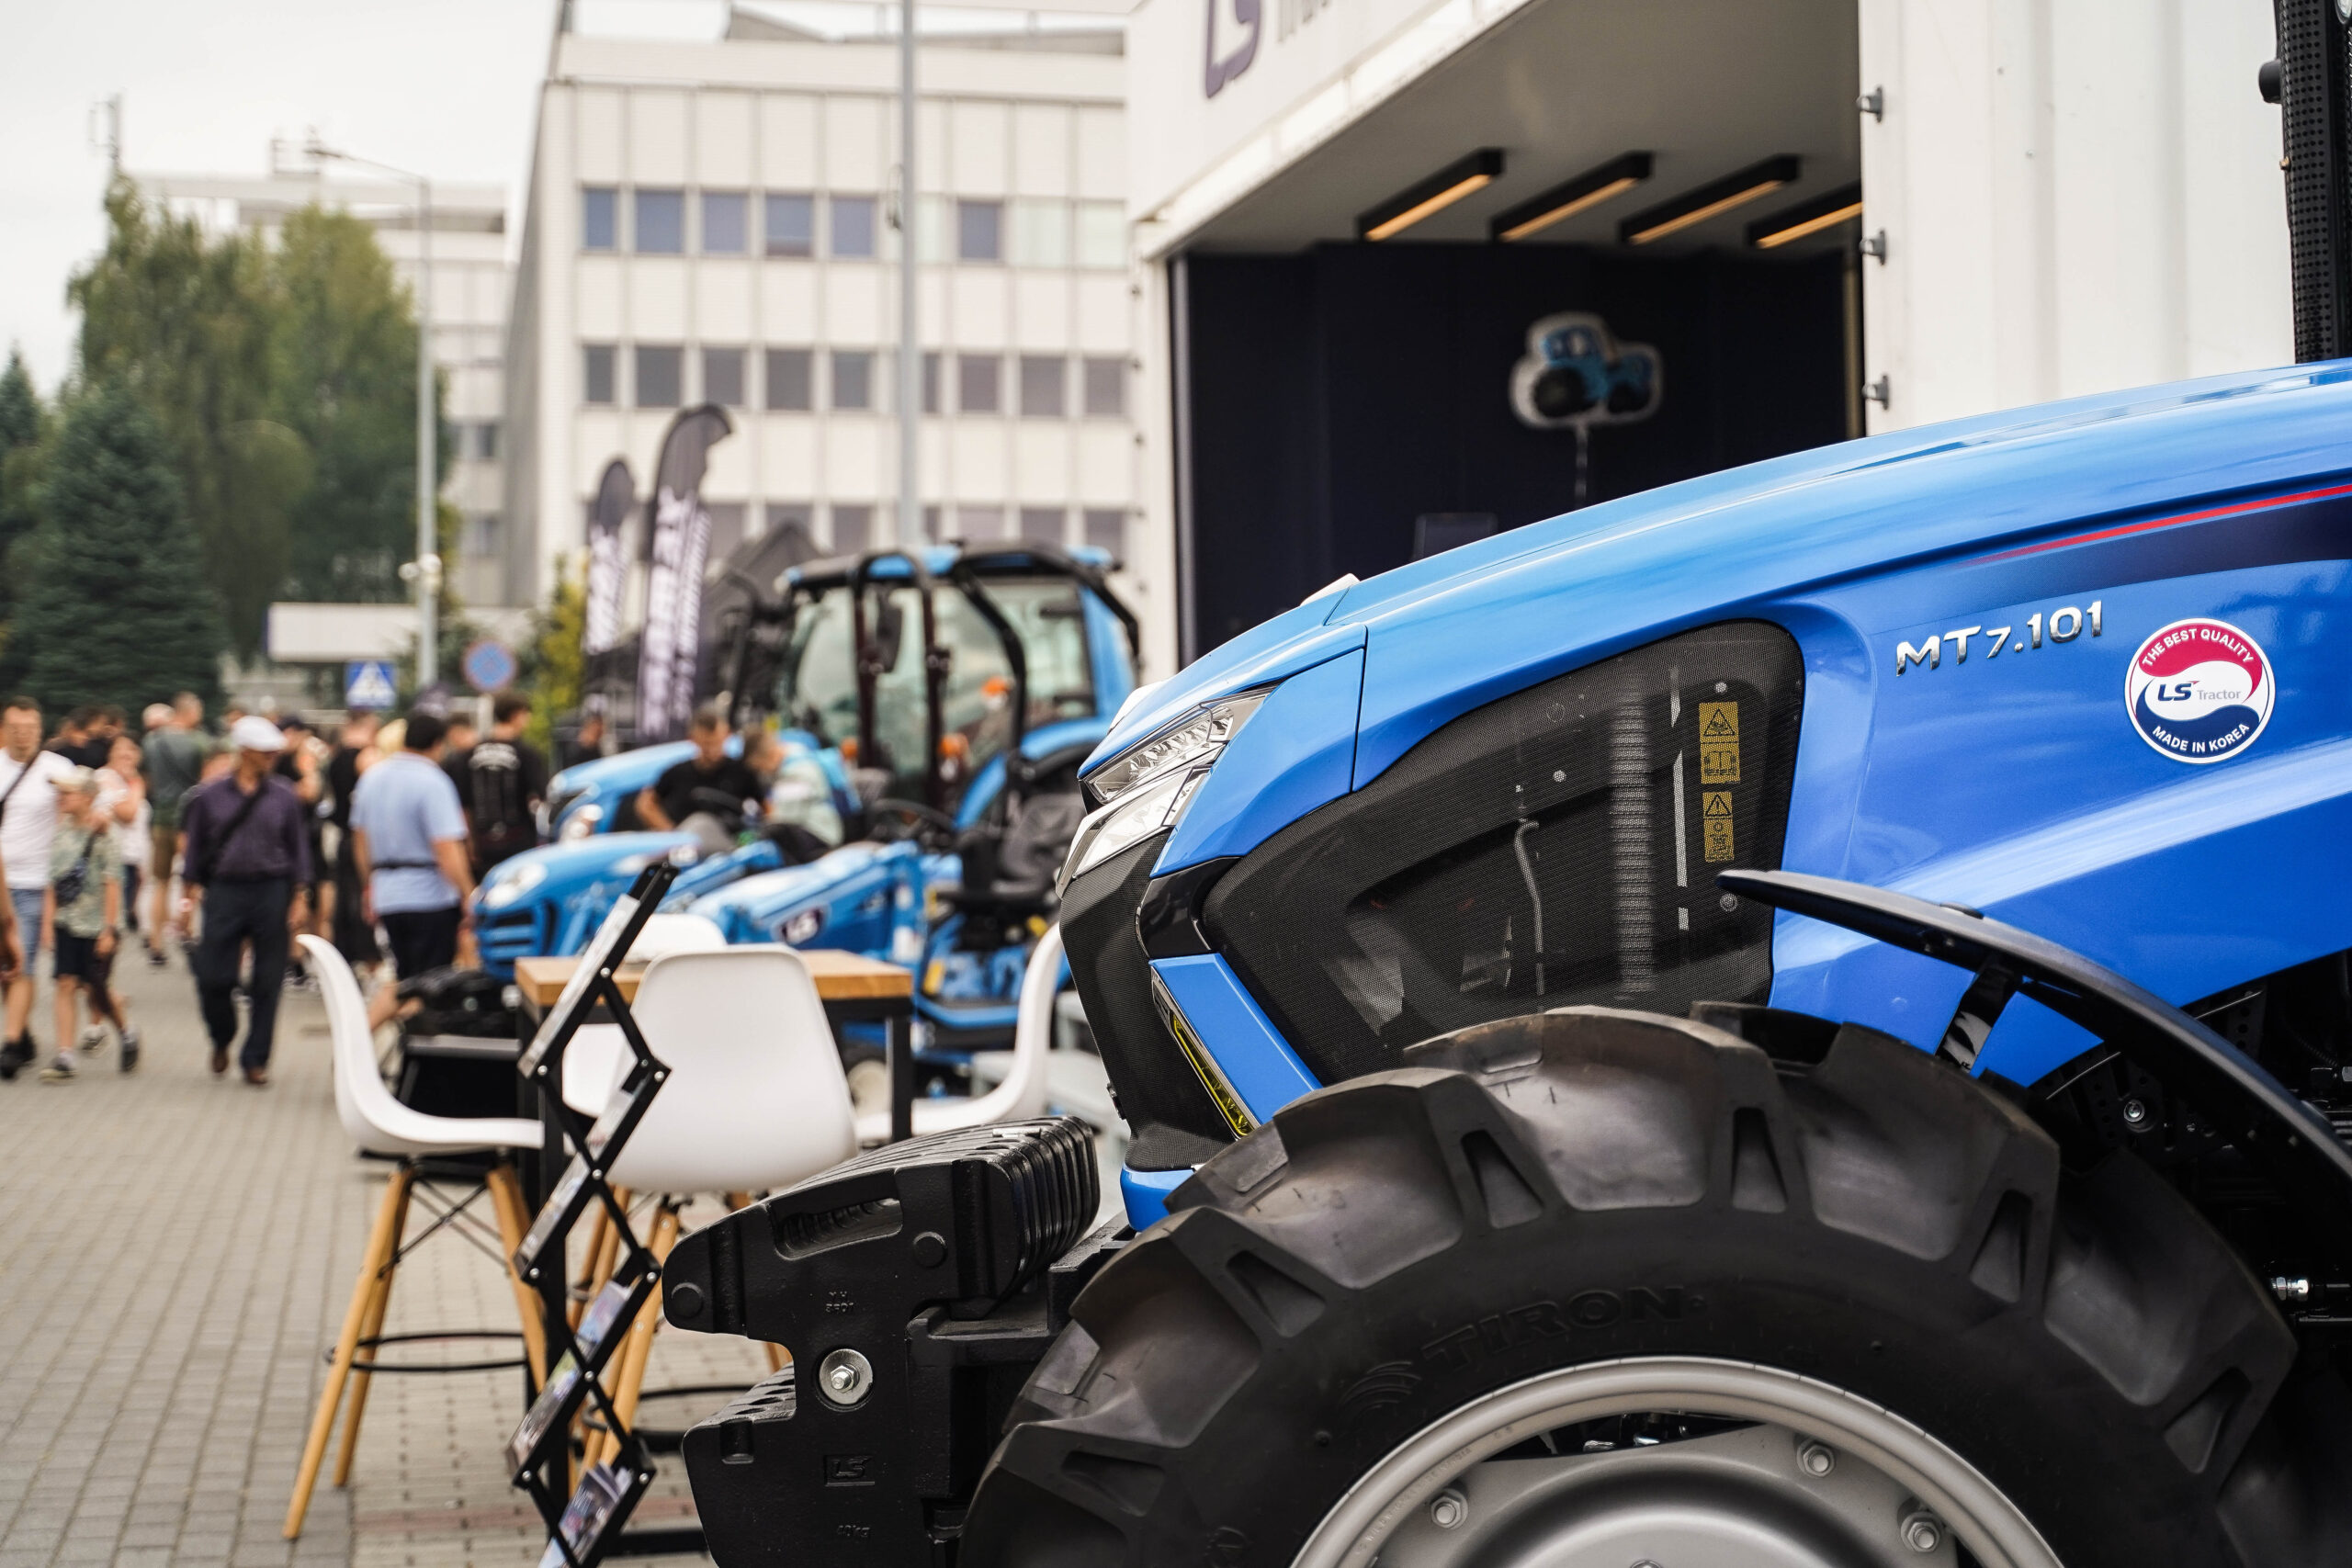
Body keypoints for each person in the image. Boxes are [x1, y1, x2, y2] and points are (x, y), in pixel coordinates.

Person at [179, 716, 311, 1085]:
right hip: (224, 891)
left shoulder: (284, 795)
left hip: (272, 890)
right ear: (244, 752)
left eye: (274, 753)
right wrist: (186, 904)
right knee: (213, 977)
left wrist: (300, 897)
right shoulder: (210, 797)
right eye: (264, 753)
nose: (271, 759)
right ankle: (222, 1036)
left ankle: (256, 1059)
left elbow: (298, 850)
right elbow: (194, 855)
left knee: (268, 981)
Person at [349, 709, 475, 1030]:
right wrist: (467, 893)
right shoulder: (433, 781)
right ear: (437, 743)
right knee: (427, 985)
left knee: (406, 978)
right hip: (429, 896)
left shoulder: (371, 778)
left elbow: (360, 842)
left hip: (388, 894)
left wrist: (370, 886)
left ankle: (362, 1041)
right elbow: (446, 846)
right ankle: (385, 1044)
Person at [0, 697, 83, 1080]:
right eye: (16, 728)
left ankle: (12, 1043)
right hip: (1, 879)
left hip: (34, 883)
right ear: (5, 729)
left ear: (40, 728)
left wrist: (93, 816)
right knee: (6, 966)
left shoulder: (56, 768)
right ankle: (25, 1034)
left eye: (30, 728)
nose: (24, 735)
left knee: (22, 964)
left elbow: (88, 794)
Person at [38, 769, 130, 1082]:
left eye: (69, 793)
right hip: (66, 921)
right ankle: (65, 1055)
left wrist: (109, 929)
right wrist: (48, 924)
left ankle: (127, 1032)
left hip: (95, 926)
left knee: (95, 991)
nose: (61, 797)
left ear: (88, 797)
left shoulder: (106, 833)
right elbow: (53, 882)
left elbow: (113, 883)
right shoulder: (61, 829)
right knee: (64, 983)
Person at [142, 692, 209, 964]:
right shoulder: (198, 742)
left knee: (160, 882)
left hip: (161, 817)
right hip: (189, 821)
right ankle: (187, 930)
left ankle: (156, 942)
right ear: (190, 712)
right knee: (190, 880)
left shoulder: (151, 741)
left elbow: (147, 779)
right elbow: (205, 782)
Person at [448, 693, 548, 873]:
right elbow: (542, 796)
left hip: (481, 843)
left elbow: (462, 805)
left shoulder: (468, 755)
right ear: (517, 715)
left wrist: (468, 843)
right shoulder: (527, 754)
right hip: (519, 841)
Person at [636, 703, 763, 832]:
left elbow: (767, 808)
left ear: (727, 735)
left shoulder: (742, 772)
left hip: (729, 846)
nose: (713, 750)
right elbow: (645, 804)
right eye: (707, 744)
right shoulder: (676, 773)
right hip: (686, 847)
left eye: (717, 743)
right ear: (692, 739)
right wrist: (670, 831)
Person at [325, 710, 383, 973]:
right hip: (363, 839)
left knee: (345, 906)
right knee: (363, 902)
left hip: (344, 837)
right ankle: (370, 961)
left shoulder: (335, 759)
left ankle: (344, 962)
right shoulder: (366, 759)